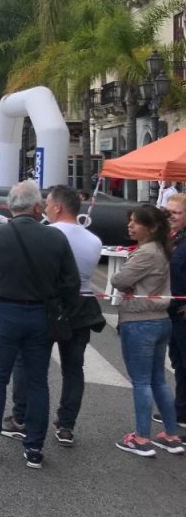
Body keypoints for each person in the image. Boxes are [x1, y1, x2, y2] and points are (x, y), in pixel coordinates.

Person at [0, 180, 79, 469]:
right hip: (41, 315)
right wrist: (57, 307)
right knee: (38, 381)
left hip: (4, 312)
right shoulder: (56, 238)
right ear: (37, 207)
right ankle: (34, 447)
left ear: (11, 207)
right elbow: (71, 283)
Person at [0, 185, 105, 446]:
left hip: (49, 305)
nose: (44, 207)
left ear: (58, 207)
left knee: (29, 364)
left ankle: (21, 418)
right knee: (74, 369)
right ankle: (66, 425)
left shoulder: (47, 234)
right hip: (82, 305)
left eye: (47, 203)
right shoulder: (94, 240)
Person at [110, 204, 185, 456]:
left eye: (135, 222)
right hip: (161, 319)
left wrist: (128, 286)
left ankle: (142, 438)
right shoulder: (163, 247)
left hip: (140, 320)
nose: (130, 225)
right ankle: (171, 434)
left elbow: (118, 280)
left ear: (150, 227)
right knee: (157, 380)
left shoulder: (146, 252)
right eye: (129, 221)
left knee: (141, 381)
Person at [165, 193, 186, 431]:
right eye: (168, 212)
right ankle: (180, 410)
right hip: (173, 309)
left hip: (183, 310)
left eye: (177, 213)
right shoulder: (174, 237)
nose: (172, 217)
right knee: (179, 361)